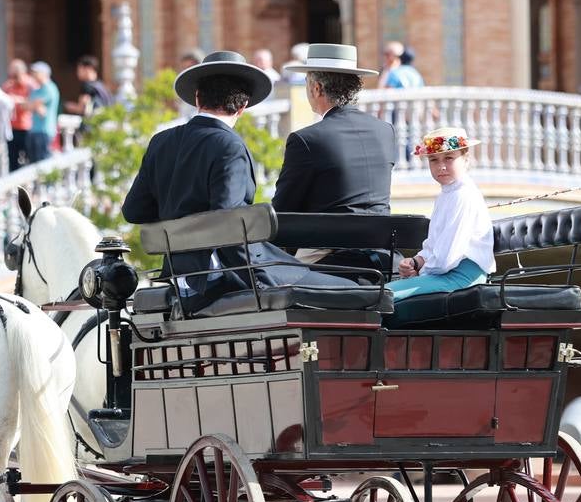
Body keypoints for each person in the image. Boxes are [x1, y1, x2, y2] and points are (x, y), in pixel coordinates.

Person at [122, 50, 356, 311]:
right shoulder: (228, 145)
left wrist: (176, 214)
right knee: (354, 289)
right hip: (218, 278)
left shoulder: (160, 141)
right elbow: (228, 224)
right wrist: (261, 279)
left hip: (179, 275)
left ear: (197, 98)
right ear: (243, 107)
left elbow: (134, 210)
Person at [274, 43, 392, 215]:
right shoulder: (385, 131)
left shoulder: (306, 140)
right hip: (381, 239)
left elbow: (282, 210)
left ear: (317, 88)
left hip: (326, 240)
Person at [391, 128, 496, 301]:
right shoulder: (446, 195)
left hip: (461, 278)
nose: (441, 166)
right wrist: (416, 262)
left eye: (449, 158)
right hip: (445, 273)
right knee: (383, 292)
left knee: (384, 295)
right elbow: (434, 246)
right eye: (434, 160)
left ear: (466, 160)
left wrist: (420, 271)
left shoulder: (463, 195)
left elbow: (447, 258)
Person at [2, 59, 37, 168]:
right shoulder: (8, 86)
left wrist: (19, 100)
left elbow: (36, 103)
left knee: (28, 158)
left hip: (27, 127)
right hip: (12, 127)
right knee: (12, 159)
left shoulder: (31, 85)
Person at [25, 61, 60, 162]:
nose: (33, 75)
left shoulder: (50, 88)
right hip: (33, 130)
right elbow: (27, 106)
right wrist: (33, 105)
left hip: (45, 131)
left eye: (36, 72)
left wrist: (33, 105)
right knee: (32, 163)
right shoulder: (35, 90)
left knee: (43, 162)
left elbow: (36, 106)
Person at [64, 55, 113, 122]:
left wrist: (67, 106)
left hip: (93, 124)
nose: (77, 72)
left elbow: (81, 109)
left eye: (79, 69)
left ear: (87, 69)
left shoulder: (87, 86)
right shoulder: (101, 86)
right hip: (105, 121)